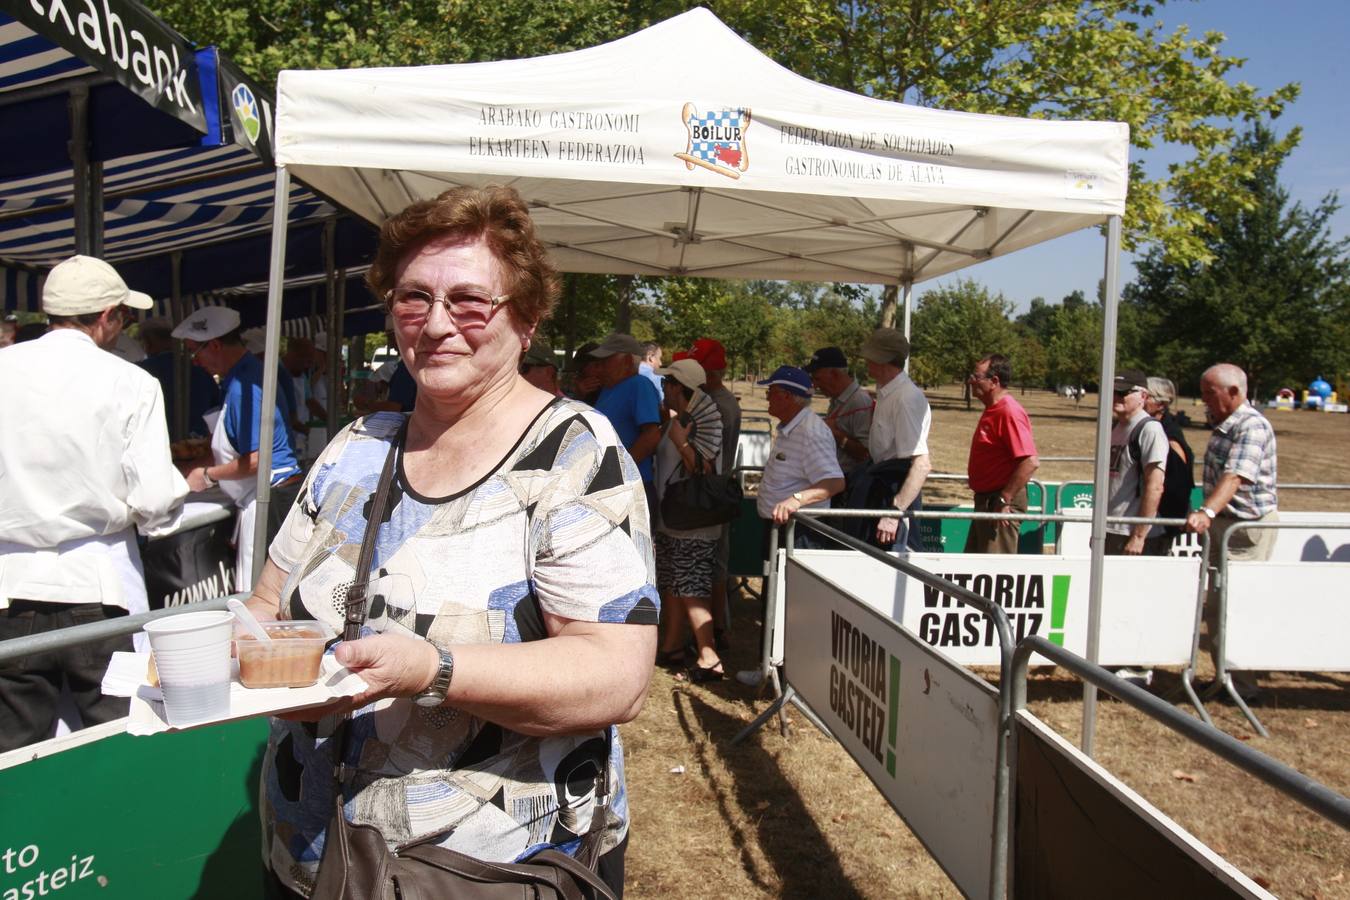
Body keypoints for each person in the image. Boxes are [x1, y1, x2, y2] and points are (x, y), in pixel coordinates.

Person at [246, 185, 657, 898]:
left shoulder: (572, 456)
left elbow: (615, 677)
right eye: (413, 298)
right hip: (310, 856)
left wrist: (432, 669)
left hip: (477, 873)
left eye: (469, 301)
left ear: (525, 320)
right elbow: (266, 606)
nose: (436, 324)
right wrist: (238, 653)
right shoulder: (355, 446)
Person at [0, 255, 187, 751]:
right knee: (116, 737)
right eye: (123, 315)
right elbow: (153, 499)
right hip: (97, 586)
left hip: (9, 587)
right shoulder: (130, 382)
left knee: (15, 750)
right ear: (106, 316)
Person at [171, 306, 302, 592]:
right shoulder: (242, 378)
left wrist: (207, 474)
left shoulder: (246, 385)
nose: (195, 362)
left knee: (259, 598)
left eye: (195, 352)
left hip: (269, 498)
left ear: (215, 345)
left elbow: (257, 459)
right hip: (267, 496)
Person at [1185, 363, 1278, 699]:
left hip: (1246, 529)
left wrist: (1207, 511)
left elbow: (1236, 476)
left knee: (1236, 606)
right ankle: (1226, 677)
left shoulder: (1251, 426)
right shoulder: (1226, 425)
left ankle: (1242, 685)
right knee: (1217, 606)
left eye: (1210, 393)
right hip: (1227, 526)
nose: (1204, 400)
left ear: (1235, 392)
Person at [651, 357, 725, 682]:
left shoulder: (703, 421)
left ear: (679, 387)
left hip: (694, 520)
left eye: (667, 383)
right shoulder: (677, 418)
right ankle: (672, 647)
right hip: (674, 517)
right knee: (673, 583)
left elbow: (704, 468)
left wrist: (681, 440)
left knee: (691, 586)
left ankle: (709, 657)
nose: (663, 388)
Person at [852, 328, 931, 551]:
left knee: (896, 567)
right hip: (881, 487)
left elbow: (921, 464)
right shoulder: (887, 392)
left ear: (882, 360)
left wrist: (894, 513)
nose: (866, 362)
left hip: (896, 493)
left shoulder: (906, 398)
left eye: (870, 357)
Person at [686, 337, 741, 649]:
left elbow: (706, 454)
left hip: (712, 491)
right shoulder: (719, 400)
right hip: (715, 489)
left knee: (712, 564)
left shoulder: (717, 405)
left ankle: (718, 630)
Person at [756, 366, 845, 544]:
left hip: (800, 532)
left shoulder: (811, 433)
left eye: (770, 392)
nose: (767, 398)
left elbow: (835, 482)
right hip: (784, 528)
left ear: (787, 396)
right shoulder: (793, 427)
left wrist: (796, 500)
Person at [965, 354, 1039, 554]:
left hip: (999, 504)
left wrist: (1005, 498)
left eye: (976, 376)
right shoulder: (993, 409)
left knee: (993, 574)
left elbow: (1029, 462)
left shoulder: (1008, 412)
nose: (971, 380)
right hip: (988, 501)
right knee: (973, 570)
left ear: (994, 381)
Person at [1104, 370, 1169, 556]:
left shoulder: (1149, 430)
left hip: (1131, 534)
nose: (1116, 396)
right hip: (1111, 529)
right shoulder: (1116, 427)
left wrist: (1139, 536)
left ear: (1143, 396)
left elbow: (1155, 486)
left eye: (1123, 392)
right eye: (1113, 391)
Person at [592, 332, 663, 493]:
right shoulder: (609, 388)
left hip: (631, 487)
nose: (600, 366)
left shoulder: (639, 385)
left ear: (627, 361)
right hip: (616, 486)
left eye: (606, 360)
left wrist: (619, 470)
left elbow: (652, 436)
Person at [138, 317, 222, 438]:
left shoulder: (140, 371)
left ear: (148, 343)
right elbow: (216, 408)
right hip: (200, 442)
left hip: (157, 441)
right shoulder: (199, 368)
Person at [804, 346, 873, 477]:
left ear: (835, 374)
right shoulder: (837, 399)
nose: (815, 385)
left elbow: (866, 455)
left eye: (817, 379)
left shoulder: (859, 402)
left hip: (850, 483)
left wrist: (835, 434)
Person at [1145, 376, 1196, 537]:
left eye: (1146, 396)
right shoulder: (1146, 427)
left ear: (1161, 404)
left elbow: (1179, 482)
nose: (1140, 400)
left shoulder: (1170, 435)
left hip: (1161, 520)